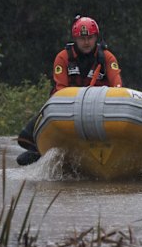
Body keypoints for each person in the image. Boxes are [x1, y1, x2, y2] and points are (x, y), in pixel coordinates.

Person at [16, 15, 123, 165]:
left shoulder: (107, 57)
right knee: (23, 148)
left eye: (90, 38)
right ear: (75, 39)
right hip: (69, 110)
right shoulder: (63, 57)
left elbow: (117, 86)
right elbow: (61, 91)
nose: (86, 42)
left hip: (100, 108)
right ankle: (42, 148)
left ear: (96, 37)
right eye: (81, 38)